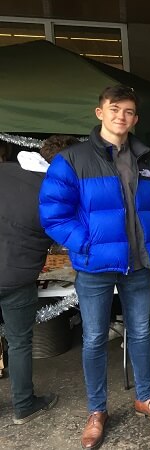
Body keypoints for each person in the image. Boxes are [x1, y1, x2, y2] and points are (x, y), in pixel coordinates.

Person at [39, 86, 150, 450]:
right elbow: (53, 214)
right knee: (96, 337)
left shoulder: (147, 160)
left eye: (129, 111)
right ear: (99, 112)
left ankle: (144, 397)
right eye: (114, 109)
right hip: (95, 265)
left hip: (139, 262)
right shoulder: (72, 159)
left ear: (135, 119)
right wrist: (85, 242)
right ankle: (97, 411)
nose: (122, 116)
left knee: (141, 332)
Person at [0, 135, 76, 424]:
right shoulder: (53, 192)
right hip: (17, 276)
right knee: (19, 342)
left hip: (13, 270)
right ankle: (23, 405)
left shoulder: (5, 170)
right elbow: (61, 236)